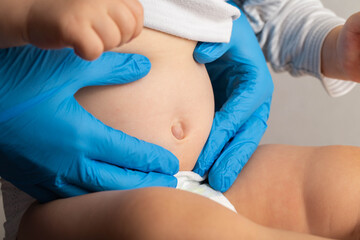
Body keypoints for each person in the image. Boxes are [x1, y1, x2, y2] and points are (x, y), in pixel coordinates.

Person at [2, 1, 360, 239]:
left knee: (346, 178)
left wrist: (331, 44)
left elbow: (268, 11)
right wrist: (28, 13)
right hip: (77, 204)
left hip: (211, 173)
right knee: (158, 218)